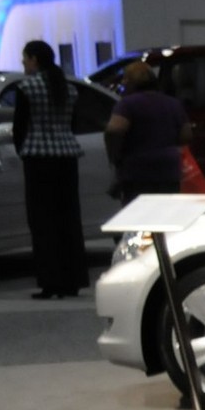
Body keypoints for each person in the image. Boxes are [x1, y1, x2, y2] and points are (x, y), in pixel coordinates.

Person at [11, 40, 88, 299]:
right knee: (68, 218)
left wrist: (22, 149)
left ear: (34, 59)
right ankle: (73, 279)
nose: (23, 63)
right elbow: (73, 123)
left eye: (25, 58)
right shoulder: (68, 88)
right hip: (67, 156)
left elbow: (19, 127)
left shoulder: (27, 87)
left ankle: (50, 282)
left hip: (38, 158)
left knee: (43, 221)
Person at [104, 60, 192, 198]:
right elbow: (186, 135)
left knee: (139, 214)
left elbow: (114, 130)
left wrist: (115, 157)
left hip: (137, 171)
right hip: (169, 170)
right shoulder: (173, 103)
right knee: (166, 212)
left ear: (129, 82)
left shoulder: (127, 104)